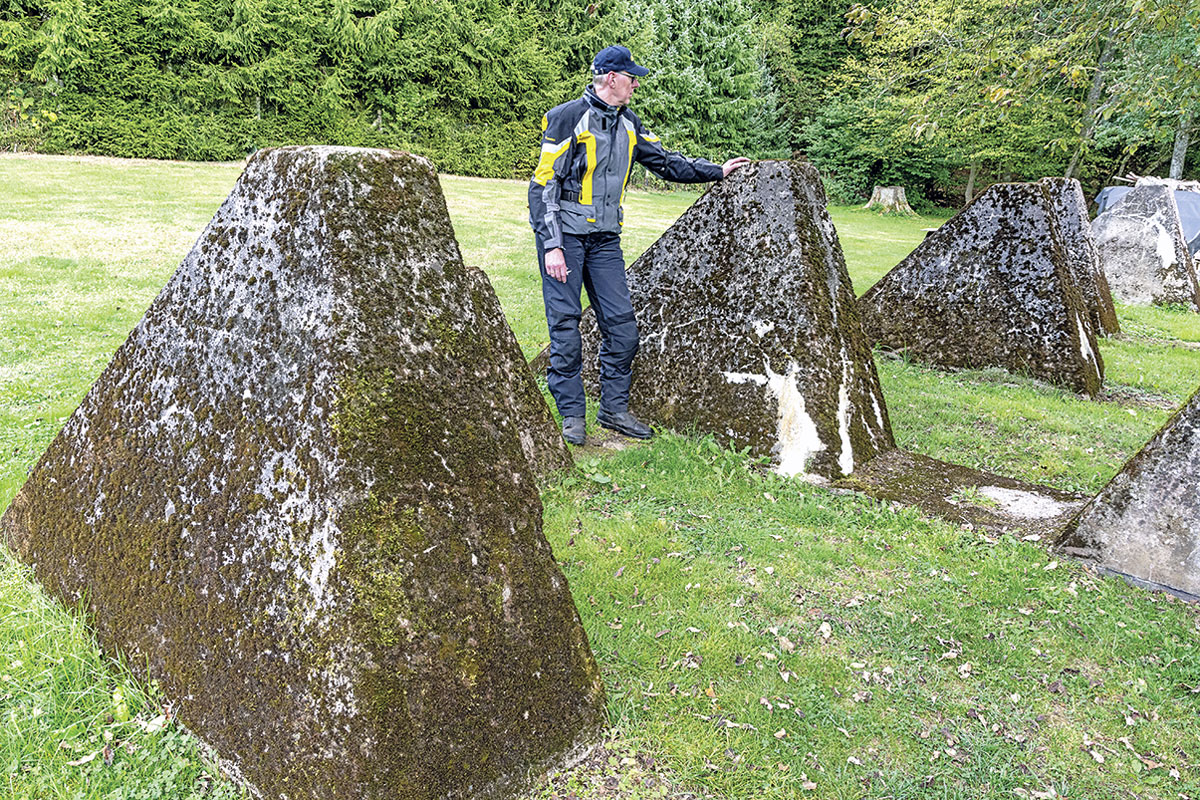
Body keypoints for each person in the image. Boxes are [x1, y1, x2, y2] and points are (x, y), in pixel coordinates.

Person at [529, 45, 750, 446]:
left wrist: (716, 171)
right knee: (565, 329)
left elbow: (666, 161)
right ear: (611, 78)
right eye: (631, 78)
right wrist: (552, 247)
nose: (635, 84)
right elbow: (543, 186)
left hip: (604, 242)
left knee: (623, 329)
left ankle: (613, 410)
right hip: (567, 239)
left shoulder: (629, 122)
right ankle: (572, 416)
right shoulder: (566, 118)